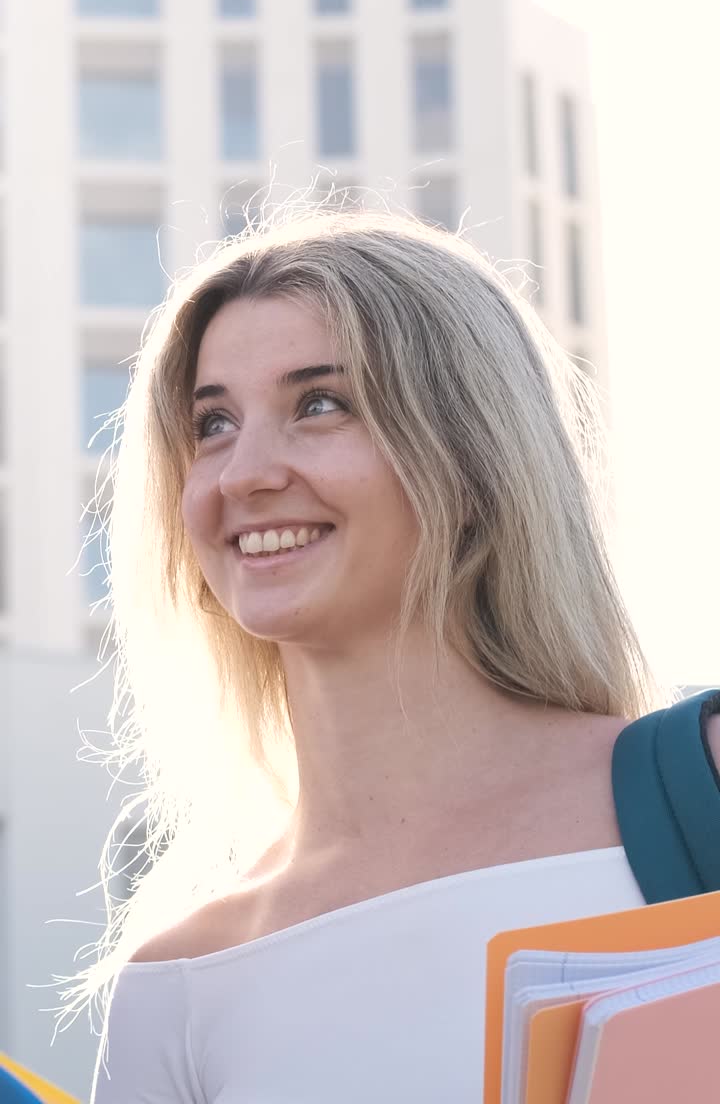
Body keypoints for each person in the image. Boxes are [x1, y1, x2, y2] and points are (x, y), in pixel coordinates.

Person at [60, 204, 714, 1101]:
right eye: (211, 424)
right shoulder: (177, 986)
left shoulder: (699, 790)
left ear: (473, 453)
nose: (243, 474)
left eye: (319, 404)